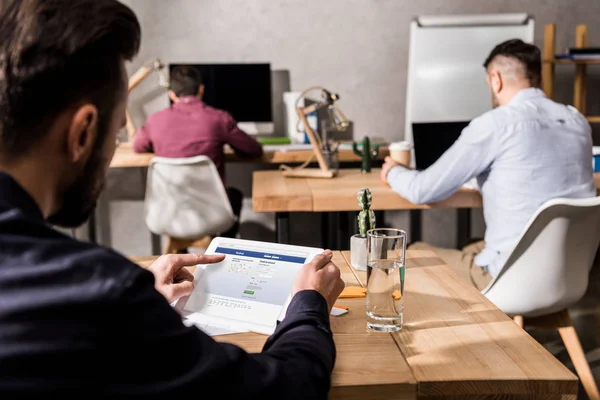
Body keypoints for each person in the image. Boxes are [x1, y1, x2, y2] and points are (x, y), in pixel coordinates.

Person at [0, 1, 344, 397]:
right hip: (216, 219)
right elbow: (286, 388)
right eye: (114, 132)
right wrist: (309, 302)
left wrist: (141, 305)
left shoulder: (93, 298)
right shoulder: (96, 294)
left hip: (164, 215)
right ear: (82, 132)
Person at [381, 39, 596, 290]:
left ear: (496, 79)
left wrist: (393, 170)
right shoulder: (577, 121)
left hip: (510, 280)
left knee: (412, 253)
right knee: (475, 243)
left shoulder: (496, 124)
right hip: (569, 278)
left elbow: (422, 191)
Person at [133, 65, 264, 238]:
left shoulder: (155, 120)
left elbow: (138, 146)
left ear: (171, 94)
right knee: (235, 195)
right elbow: (253, 150)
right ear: (201, 90)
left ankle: (180, 252)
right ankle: (223, 248)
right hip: (212, 216)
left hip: (168, 216)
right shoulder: (218, 119)